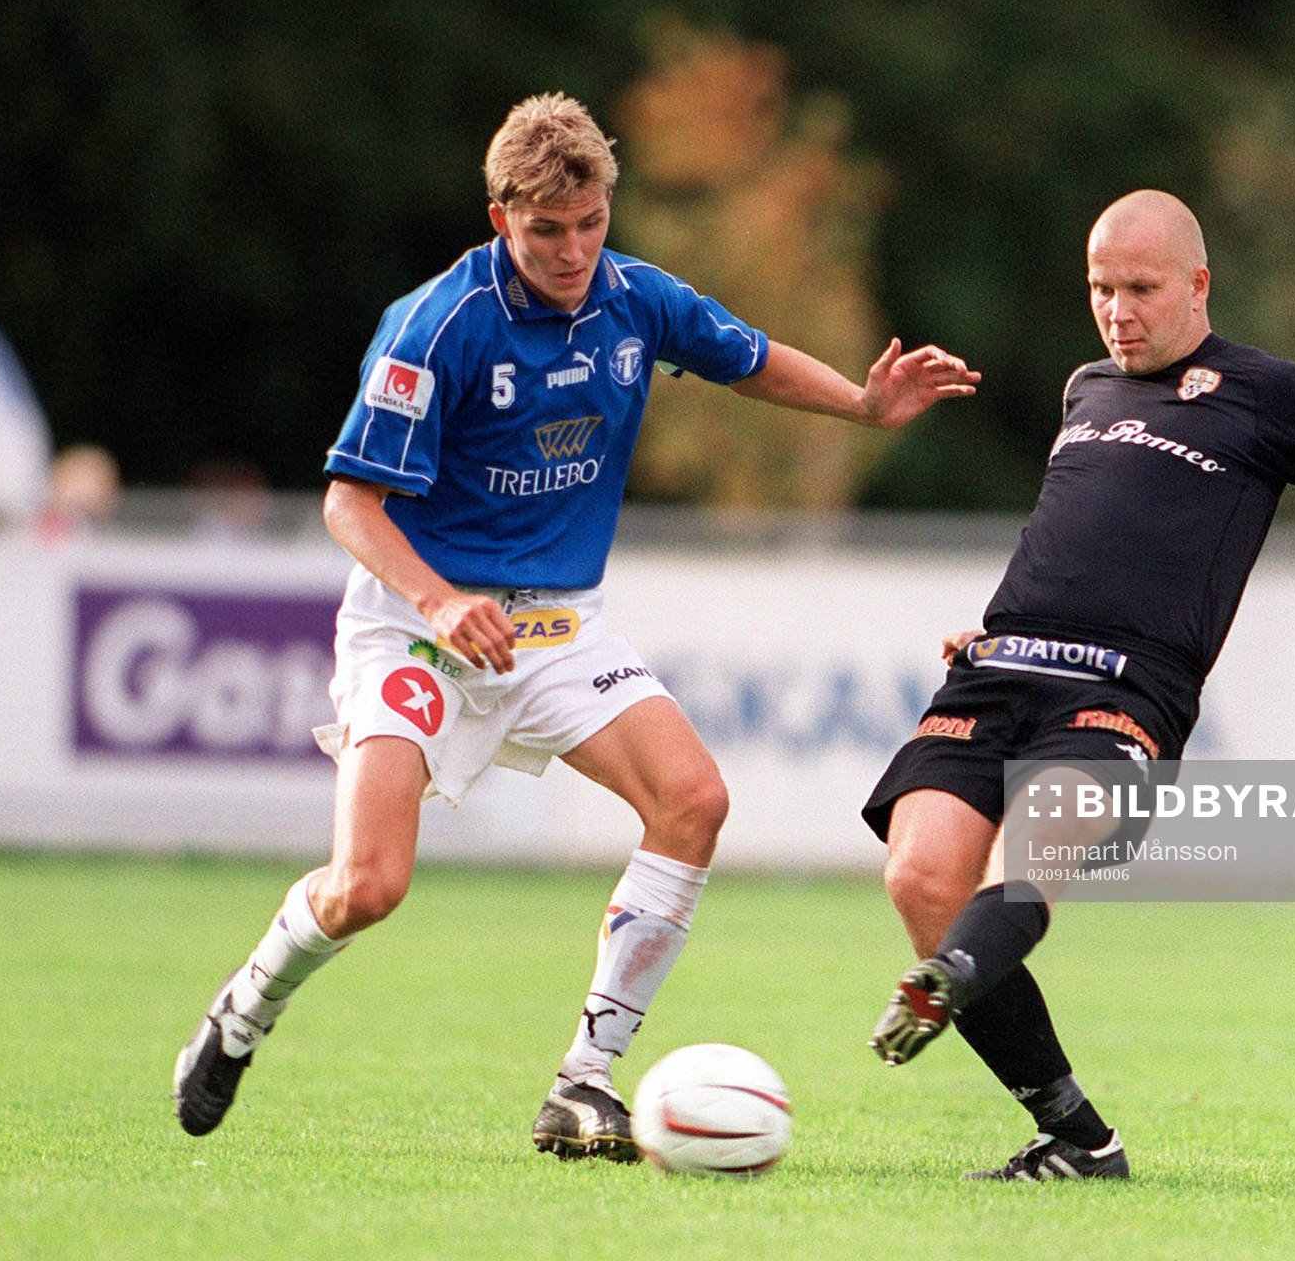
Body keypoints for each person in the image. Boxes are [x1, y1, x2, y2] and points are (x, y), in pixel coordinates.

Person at [172, 92, 979, 1155]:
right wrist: (440, 599)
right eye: (545, 229)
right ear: (499, 216)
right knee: (368, 886)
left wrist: (863, 405)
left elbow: (749, 358)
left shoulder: (635, 299)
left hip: (556, 629)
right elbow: (349, 505)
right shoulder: (437, 324)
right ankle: (246, 1007)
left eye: (590, 223)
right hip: (417, 628)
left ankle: (584, 1081)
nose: (572, 250)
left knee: (693, 800)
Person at [862, 190, 1295, 1181]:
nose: (1116, 311)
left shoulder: (1270, 393)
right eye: (1099, 289)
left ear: (1198, 284)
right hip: (1001, 667)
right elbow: (1078, 530)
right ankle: (1075, 1136)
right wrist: (996, 623)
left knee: (1036, 845)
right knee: (920, 878)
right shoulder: (1084, 390)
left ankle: (950, 977)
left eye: (1140, 289)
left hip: (1124, 690)